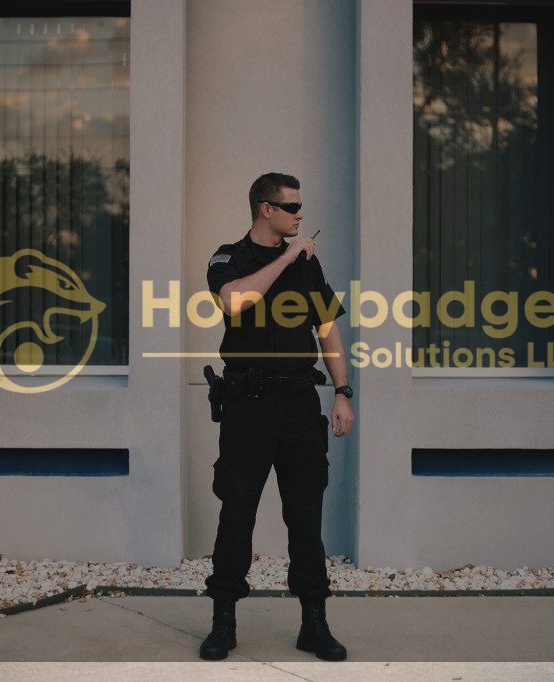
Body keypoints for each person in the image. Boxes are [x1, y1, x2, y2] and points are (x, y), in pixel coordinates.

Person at [199, 172, 355, 661]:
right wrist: (286, 258)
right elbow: (235, 301)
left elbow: (327, 328)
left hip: (298, 407)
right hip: (247, 406)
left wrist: (343, 392)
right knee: (237, 515)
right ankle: (223, 621)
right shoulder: (229, 257)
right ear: (265, 209)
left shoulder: (310, 265)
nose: (300, 216)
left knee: (306, 517)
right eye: (291, 207)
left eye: (301, 208)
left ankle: (314, 622)